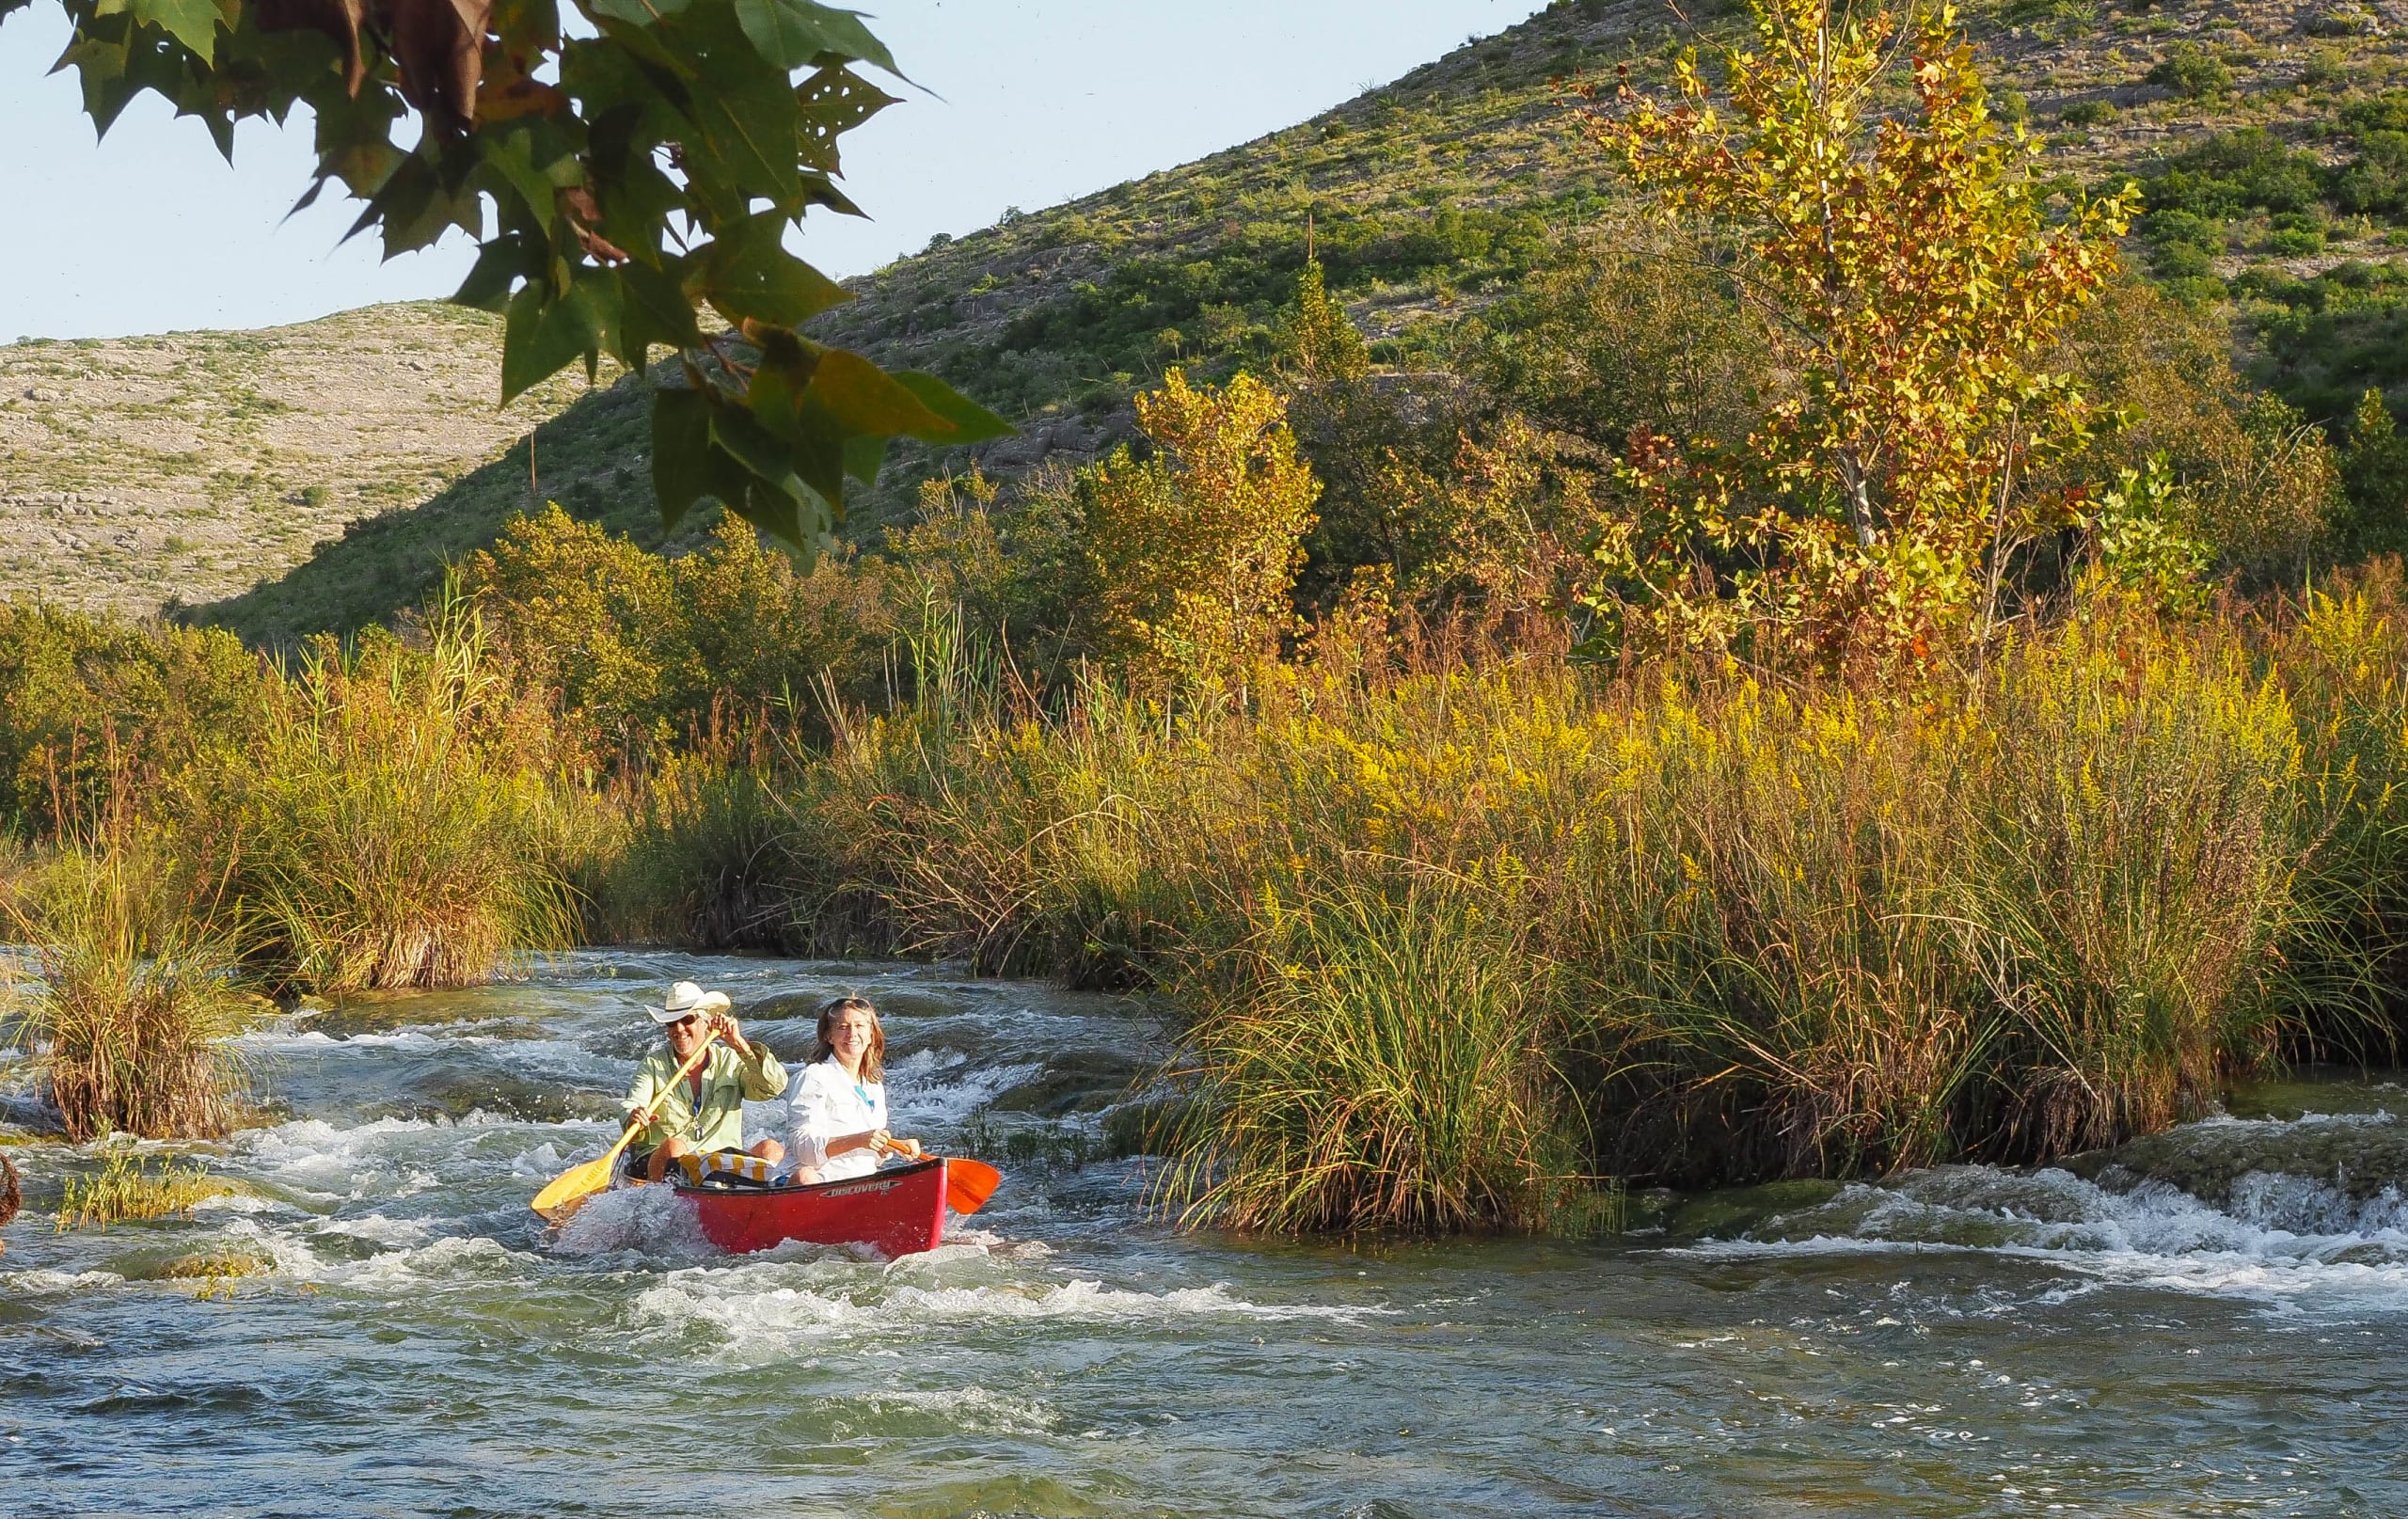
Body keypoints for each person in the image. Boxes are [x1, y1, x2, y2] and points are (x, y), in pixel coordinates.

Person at [624, 981, 787, 1184]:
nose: (679, 1029)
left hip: (718, 1161)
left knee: (771, 1148)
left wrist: (739, 1045)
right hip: (662, 1160)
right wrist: (634, 1115)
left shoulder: (731, 1060)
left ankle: (758, 1198)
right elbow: (631, 1104)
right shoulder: (653, 1064)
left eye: (687, 1019)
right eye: (671, 1023)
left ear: (705, 1022)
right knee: (675, 1146)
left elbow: (772, 1087)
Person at [785, 996, 923, 1185]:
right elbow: (803, 1148)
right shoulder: (812, 1076)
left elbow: (871, 1156)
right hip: (818, 1183)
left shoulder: (874, 1086)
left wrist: (893, 1147)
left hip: (861, 1185)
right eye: (843, 1027)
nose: (852, 1034)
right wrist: (859, 1140)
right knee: (805, 1177)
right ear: (829, 1036)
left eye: (859, 1026)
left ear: (871, 1035)